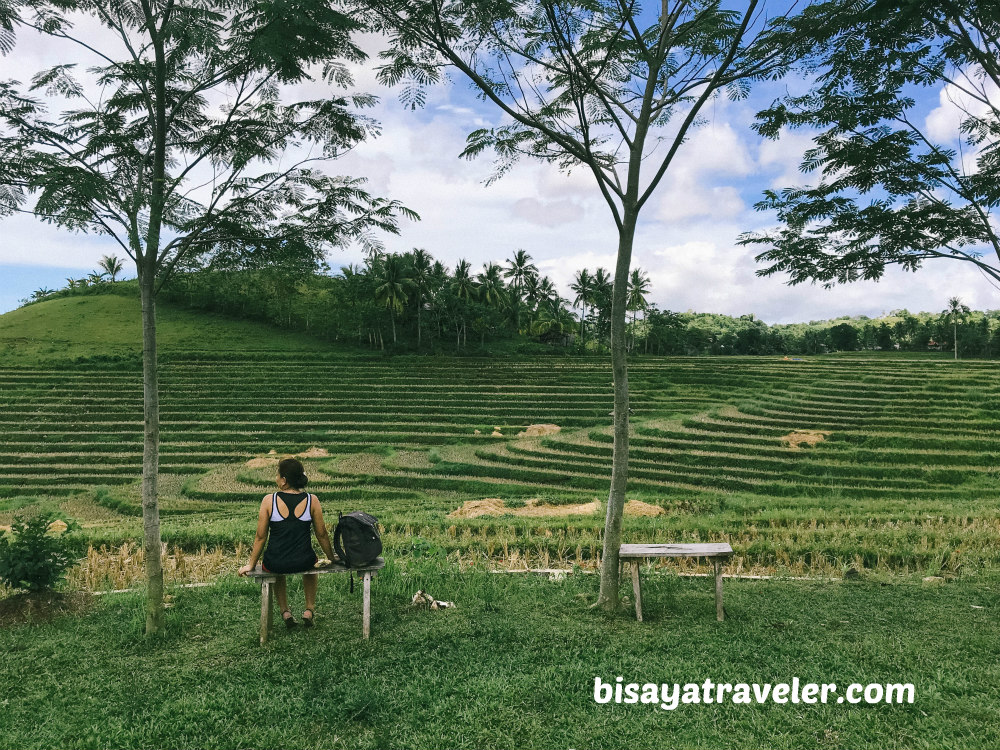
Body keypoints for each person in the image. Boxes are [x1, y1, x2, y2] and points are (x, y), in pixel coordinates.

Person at [238, 457, 336, 628]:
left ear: (284, 481)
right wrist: (331, 558)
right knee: (313, 565)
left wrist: (251, 564)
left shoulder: (269, 500)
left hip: (275, 562)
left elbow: (260, 537)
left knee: (277, 567)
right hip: (303, 560)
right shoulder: (312, 500)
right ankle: (309, 609)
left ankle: (285, 611)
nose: (276, 477)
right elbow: (322, 534)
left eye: (277, 474)